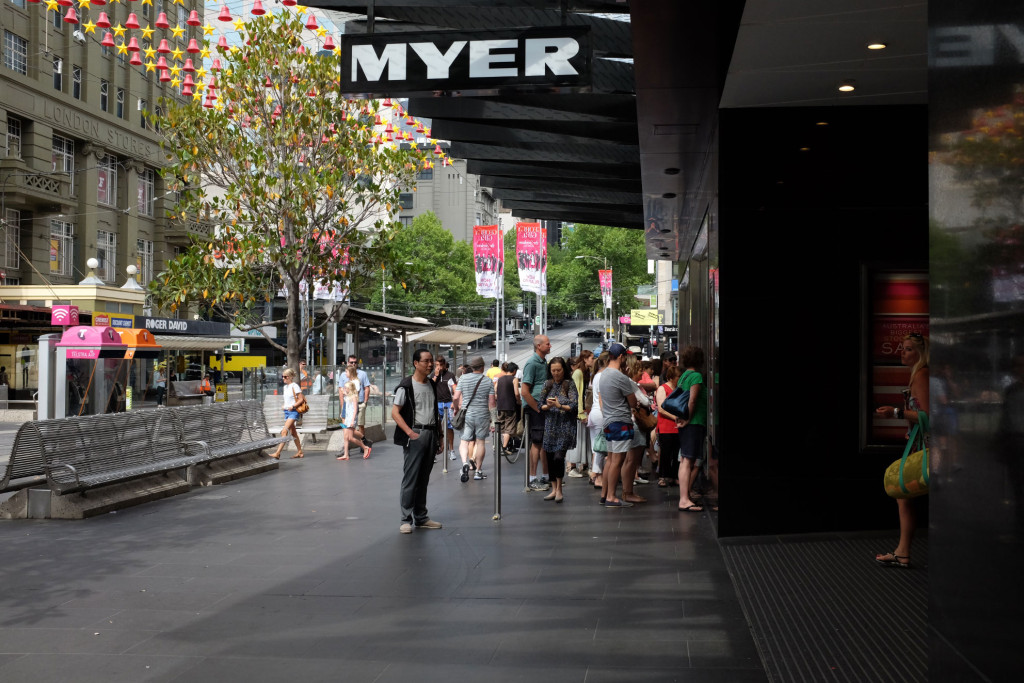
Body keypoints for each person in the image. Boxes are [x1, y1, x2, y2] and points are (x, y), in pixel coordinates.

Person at [874, 333, 930, 568]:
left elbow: (928, 416)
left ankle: (903, 552)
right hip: (920, 444)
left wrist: (896, 413)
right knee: (903, 495)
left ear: (919, 353)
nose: (902, 352)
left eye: (908, 349)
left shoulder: (921, 374)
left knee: (904, 493)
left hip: (927, 446)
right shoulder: (918, 374)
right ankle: (902, 551)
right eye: (902, 348)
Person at [391, 349, 444, 534]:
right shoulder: (406, 386)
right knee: (411, 478)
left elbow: (435, 412)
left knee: (424, 478)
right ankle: (405, 519)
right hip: (415, 433)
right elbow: (395, 412)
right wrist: (409, 433)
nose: (430, 365)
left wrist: (440, 436)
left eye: (431, 361)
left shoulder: (431, 384)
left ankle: (421, 517)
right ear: (416, 363)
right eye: (426, 361)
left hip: (430, 434)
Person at [599, 343, 639, 507]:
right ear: (621, 357)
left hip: (608, 421)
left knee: (610, 460)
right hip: (620, 421)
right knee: (617, 460)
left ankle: (604, 495)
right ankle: (611, 497)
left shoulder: (604, 374)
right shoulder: (619, 377)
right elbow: (633, 401)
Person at [539, 357, 578, 503]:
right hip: (550, 425)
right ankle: (554, 488)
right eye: (553, 370)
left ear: (564, 370)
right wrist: (548, 406)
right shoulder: (547, 384)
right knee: (549, 457)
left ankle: (559, 489)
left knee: (558, 457)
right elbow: (539, 405)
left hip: (565, 426)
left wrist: (559, 405)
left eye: (559, 370)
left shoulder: (570, 384)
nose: (556, 373)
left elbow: (574, 405)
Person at [452, 356, 496, 482]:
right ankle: (478, 471)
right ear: (482, 367)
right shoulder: (488, 381)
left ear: (471, 367)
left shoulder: (463, 378)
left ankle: (465, 463)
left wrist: (456, 409)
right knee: (480, 442)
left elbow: (455, 398)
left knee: (464, 441)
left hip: (467, 414)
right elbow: (492, 403)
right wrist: (493, 420)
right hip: (482, 414)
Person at [676, 346, 708, 512]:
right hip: (693, 422)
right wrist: (688, 419)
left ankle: (684, 497)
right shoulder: (695, 376)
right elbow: (693, 400)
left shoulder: (683, 376)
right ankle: (684, 499)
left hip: (686, 422)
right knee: (688, 460)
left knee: (685, 460)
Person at [521, 335, 552, 491]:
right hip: (536, 409)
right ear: (539, 346)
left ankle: (545, 476)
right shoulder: (532, 363)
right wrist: (538, 408)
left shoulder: (543, 362)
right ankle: (532, 478)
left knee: (543, 443)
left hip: (542, 407)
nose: (550, 346)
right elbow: (525, 391)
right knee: (537, 442)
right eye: (547, 344)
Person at [566, 351, 593, 478]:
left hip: (581, 411)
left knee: (582, 439)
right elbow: (576, 394)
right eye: (591, 358)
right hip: (578, 412)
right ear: (586, 359)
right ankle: (571, 466)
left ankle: (579, 465)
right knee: (577, 439)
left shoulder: (583, 372)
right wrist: (580, 412)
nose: (593, 360)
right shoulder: (578, 373)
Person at [655, 365, 682, 487]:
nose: (679, 379)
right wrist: (675, 418)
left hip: (678, 426)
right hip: (666, 426)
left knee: (676, 453)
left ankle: (673, 475)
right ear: (671, 377)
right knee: (665, 453)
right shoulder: (662, 388)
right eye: (678, 377)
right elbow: (661, 409)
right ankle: (662, 476)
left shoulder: (679, 389)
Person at [269, 368, 305, 460]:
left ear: (291, 377)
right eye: (283, 377)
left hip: (293, 411)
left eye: (285, 377)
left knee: (284, 431)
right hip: (287, 411)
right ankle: (300, 451)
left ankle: (277, 453)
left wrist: (293, 406)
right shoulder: (285, 387)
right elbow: (288, 400)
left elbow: (301, 399)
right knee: (293, 433)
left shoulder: (294, 386)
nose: (283, 378)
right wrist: (284, 405)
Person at [587, 352, 611, 489]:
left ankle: (595, 474)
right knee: (601, 448)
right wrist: (606, 414)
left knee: (596, 446)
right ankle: (597, 476)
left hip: (595, 414)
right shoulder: (603, 376)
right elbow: (602, 398)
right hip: (601, 414)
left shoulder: (596, 375)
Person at [337, 367, 371, 460]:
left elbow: (355, 409)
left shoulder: (353, 396)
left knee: (350, 437)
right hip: (348, 417)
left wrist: (352, 420)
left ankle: (365, 447)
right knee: (346, 436)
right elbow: (347, 406)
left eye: (346, 388)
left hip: (351, 418)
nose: (344, 389)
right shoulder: (348, 397)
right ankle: (346, 454)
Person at [432, 356, 458, 462]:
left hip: (448, 403)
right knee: (435, 427)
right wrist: (436, 375)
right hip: (437, 403)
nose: (439, 367)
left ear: (444, 365)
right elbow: (430, 386)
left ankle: (451, 450)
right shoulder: (433, 375)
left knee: (449, 427)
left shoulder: (450, 375)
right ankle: (434, 451)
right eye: (437, 365)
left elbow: (455, 389)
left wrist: (454, 402)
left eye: (440, 365)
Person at [346, 355, 372, 448]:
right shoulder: (344, 374)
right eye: (351, 362)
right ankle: (346, 448)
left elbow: (366, 387)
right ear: (348, 363)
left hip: (359, 403)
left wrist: (365, 401)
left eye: (355, 362)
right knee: (348, 427)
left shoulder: (362, 374)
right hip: (348, 405)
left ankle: (363, 444)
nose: (353, 364)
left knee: (360, 425)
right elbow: (341, 389)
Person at [496, 362, 520, 454]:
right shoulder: (514, 379)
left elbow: (495, 390)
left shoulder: (500, 379)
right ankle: (504, 447)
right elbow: (516, 393)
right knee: (509, 427)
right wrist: (518, 401)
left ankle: (499, 445)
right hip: (510, 406)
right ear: (514, 371)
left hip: (500, 405)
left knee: (501, 427)